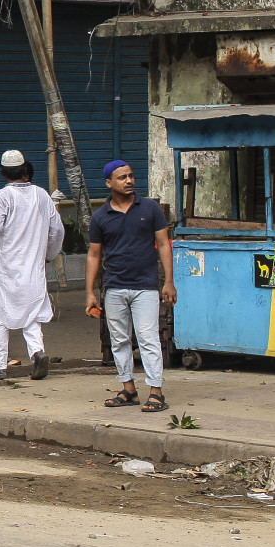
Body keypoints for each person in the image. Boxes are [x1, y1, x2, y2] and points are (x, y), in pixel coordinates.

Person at [87, 160, 176, 414]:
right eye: (122, 177)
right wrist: (90, 292)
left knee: (148, 338)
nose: (129, 181)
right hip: (114, 287)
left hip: (145, 287)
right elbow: (94, 255)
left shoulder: (150, 208)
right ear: (109, 183)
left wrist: (168, 281)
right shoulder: (100, 216)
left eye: (131, 176)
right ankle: (129, 389)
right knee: (119, 340)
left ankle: (156, 391)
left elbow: (163, 245)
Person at [0, 150, 62, 381]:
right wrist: (49, 254)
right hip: (33, 268)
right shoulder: (42, 195)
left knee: (0, 315)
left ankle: (0, 366)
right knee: (32, 315)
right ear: (25, 170)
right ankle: (37, 353)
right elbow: (57, 230)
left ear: (2, 172)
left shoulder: (1, 196)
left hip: (6, 267)